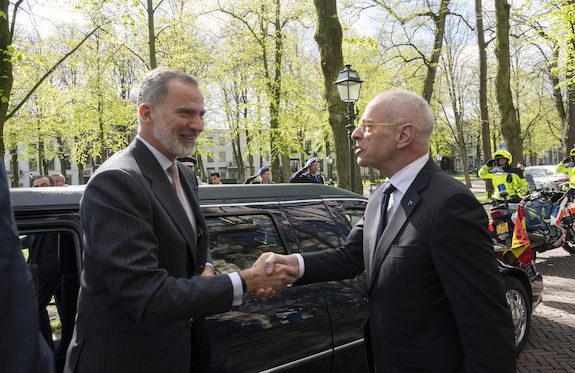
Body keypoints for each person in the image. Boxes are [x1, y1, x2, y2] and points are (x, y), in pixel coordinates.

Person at [261, 90, 516, 372]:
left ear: (403, 136)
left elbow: (485, 322)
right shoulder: (381, 195)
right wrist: (292, 264)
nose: (355, 134)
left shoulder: (451, 203)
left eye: (367, 126)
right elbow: (349, 257)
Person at [64, 67, 295, 373]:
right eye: (186, 113)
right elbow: (147, 296)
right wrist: (246, 281)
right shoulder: (116, 181)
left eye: (201, 114)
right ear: (147, 113)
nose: (198, 125)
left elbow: (194, 242)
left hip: (182, 352)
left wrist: (208, 268)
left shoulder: (183, 174)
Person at [0, 161, 55, 373]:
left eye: (44, 186)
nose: (40, 190)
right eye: (37, 187)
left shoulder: (51, 212)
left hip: (52, 273)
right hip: (41, 271)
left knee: (37, 311)